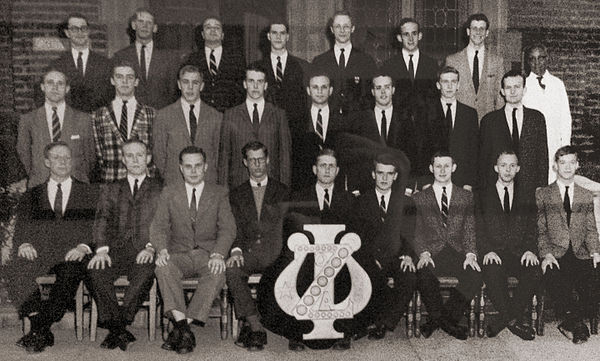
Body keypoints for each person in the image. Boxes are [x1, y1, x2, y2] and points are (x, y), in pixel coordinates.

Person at [258, 148, 358, 351]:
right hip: (307, 256)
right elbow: (291, 231)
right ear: (315, 169)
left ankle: (342, 331)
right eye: (323, 166)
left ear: (337, 171)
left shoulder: (348, 199)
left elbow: (353, 233)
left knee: (348, 273)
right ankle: (297, 331)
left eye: (331, 166)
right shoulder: (299, 197)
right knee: (290, 273)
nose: (327, 170)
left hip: (339, 258)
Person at [6, 142, 97, 353]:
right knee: (14, 267)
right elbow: (21, 228)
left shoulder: (87, 192)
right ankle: (40, 324)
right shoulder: (32, 195)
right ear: (47, 162)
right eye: (57, 158)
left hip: (71, 254)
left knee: (70, 273)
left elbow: (95, 229)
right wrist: (25, 243)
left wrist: (83, 247)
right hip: (40, 252)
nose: (63, 162)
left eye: (66, 158)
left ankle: (39, 328)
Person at [151, 146, 236, 354]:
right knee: (163, 268)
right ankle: (184, 329)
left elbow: (228, 228)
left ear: (205, 167)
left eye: (198, 165)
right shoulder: (169, 192)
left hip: (207, 254)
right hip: (178, 253)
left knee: (218, 272)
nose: (193, 170)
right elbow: (159, 226)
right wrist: (161, 250)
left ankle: (181, 327)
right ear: (181, 168)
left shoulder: (219, 192)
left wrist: (218, 254)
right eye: (188, 166)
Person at [87, 140, 160, 350]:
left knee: (145, 273)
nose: (135, 160)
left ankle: (118, 324)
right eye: (130, 156)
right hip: (115, 249)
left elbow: (165, 224)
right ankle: (119, 328)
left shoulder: (160, 188)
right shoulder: (111, 188)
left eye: (140, 155)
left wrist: (151, 247)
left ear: (148, 158)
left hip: (144, 250)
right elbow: (101, 219)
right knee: (95, 271)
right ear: (123, 160)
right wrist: (101, 250)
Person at [226, 141, 289, 351]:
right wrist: (235, 250)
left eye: (261, 159)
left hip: (276, 252)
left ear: (268, 160)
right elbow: (231, 227)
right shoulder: (236, 194)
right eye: (252, 160)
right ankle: (255, 326)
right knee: (233, 269)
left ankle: (287, 326)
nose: (257, 165)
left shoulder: (282, 191)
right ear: (245, 163)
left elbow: (289, 226)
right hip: (248, 251)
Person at [413, 151, 482, 340]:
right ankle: (448, 323)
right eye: (438, 166)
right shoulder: (420, 198)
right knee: (423, 275)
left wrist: (470, 255)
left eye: (446, 166)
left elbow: (469, 229)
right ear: (431, 168)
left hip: (456, 251)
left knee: (475, 275)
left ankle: (440, 320)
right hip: (433, 252)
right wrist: (424, 253)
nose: (442, 170)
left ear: (453, 168)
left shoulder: (465, 196)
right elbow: (418, 233)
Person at [537, 146, 600, 344]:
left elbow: (591, 229)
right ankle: (576, 324)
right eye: (562, 162)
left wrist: (595, 251)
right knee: (557, 279)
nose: (567, 167)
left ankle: (570, 321)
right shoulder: (544, 194)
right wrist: (546, 254)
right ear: (555, 166)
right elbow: (540, 230)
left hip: (580, 252)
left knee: (594, 282)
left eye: (572, 162)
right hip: (555, 253)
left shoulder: (585, 195)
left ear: (577, 165)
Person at [353, 153, 416, 340]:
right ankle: (363, 322)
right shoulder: (360, 202)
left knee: (409, 277)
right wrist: (370, 258)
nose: (384, 178)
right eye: (380, 173)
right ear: (373, 174)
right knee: (368, 275)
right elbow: (357, 237)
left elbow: (410, 234)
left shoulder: (406, 202)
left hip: (396, 256)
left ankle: (385, 323)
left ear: (395, 176)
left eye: (389, 174)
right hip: (370, 257)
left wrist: (408, 255)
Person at [477, 150, 538, 341]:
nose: (508, 170)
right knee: (492, 270)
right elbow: (477, 227)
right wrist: (487, 250)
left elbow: (532, 227)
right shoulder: (482, 195)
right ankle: (513, 321)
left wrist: (530, 250)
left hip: (519, 252)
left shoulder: (527, 195)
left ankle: (503, 321)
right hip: (493, 252)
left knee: (534, 270)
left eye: (512, 165)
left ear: (518, 169)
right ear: (496, 168)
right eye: (503, 165)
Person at [17, 69, 96, 189]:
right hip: (39, 185)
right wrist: (38, 174)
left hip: (76, 185)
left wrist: (77, 174)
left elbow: (90, 157)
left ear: (67, 88)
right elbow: (23, 153)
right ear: (42, 87)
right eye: (50, 83)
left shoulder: (84, 119)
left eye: (60, 83)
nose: (55, 87)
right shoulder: (28, 120)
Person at [479, 70, 548, 205]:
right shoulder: (489, 120)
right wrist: (485, 189)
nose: (513, 91)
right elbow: (484, 158)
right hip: (498, 186)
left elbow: (542, 155)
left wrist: (541, 186)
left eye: (517, 87)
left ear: (524, 89)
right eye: (508, 87)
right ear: (502, 91)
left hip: (529, 187)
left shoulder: (537, 118)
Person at [218, 64, 292, 189]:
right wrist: (223, 194)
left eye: (260, 81)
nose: (256, 86)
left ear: (266, 85)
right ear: (245, 84)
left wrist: (284, 192)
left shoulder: (279, 115)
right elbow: (224, 158)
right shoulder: (230, 115)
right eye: (251, 81)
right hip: (239, 186)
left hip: (271, 186)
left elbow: (285, 158)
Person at [154, 65, 222, 185]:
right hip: (175, 184)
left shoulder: (216, 117)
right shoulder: (163, 116)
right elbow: (159, 154)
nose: (190, 87)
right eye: (186, 82)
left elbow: (218, 155)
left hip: (207, 185)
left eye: (195, 83)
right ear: (179, 85)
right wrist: (170, 177)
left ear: (201, 86)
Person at [346, 73, 413, 194]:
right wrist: (355, 187)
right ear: (372, 91)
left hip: (399, 187)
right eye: (378, 88)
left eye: (386, 87)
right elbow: (355, 156)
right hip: (366, 188)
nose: (383, 92)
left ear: (393, 90)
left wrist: (408, 187)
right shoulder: (361, 119)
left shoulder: (405, 119)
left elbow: (411, 154)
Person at [92, 61, 155, 182]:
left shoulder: (150, 114)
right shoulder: (99, 115)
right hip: (111, 181)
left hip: (143, 182)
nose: (124, 81)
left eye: (129, 77)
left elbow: (154, 149)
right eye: (119, 77)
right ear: (112, 80)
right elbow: (99, 154)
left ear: (136, 82)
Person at [420, 66, 479, 190]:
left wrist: (469, 182)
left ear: (458, 85)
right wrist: (425, 182)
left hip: (461, 181)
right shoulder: (426, 112)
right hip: (433, 179)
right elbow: (421, 149)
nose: (449, 86)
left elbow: (473, 151)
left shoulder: (470, 113)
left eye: (453, 82)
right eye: (445, 82)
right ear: (438, 85)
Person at [522, 44, 572, 184]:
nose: (537, 63)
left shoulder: (558, 84)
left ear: (547, 59)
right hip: (533, 147)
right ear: (528, 62)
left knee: (555, 184)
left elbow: (565, 119)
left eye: (541, 58)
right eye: (532, 59)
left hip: (555, 144)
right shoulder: (523, 85)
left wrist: (565, 148)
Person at [312, 11, 377, 116]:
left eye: (346, 26)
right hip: (329, 124)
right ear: (332, 30)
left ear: (352, 29)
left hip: (358, 125)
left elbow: (372, 95)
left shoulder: (366, 61)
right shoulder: (319, 62)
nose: (342, 30)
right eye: (338, 26)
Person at [46, 13, 112, 113]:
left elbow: (110, 97)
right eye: (74, 29)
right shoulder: (57, 65)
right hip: (68, 122)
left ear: (88, 31)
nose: (79, 33)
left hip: (96, 121)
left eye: (83, 28)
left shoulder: (104, 63)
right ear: (67, 33)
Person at [112, 8, 177, 109]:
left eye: (149, 22)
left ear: (155, 28)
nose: (145, 26)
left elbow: (173, 92)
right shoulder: (121, 56)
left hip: (160, 115)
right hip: (130, 114)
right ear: (134, 25)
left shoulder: (169, 58)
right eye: (141, 21)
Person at [445, 13, 505, 121]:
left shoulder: (497, 61)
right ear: (468, 31)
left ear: (487, 33)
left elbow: (500, 97)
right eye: (474, 28)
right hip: (461, 122)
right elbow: (447, 95)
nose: (478, 32)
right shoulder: (452, 61)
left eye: (482, 29)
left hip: (488, 122)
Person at [257, 21, 307, 142]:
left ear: (288, 37)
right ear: (269, 36)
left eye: (282, 33)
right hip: (265, 131)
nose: (278, 37)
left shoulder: (302, 66)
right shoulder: (257, 67)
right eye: (274, 33)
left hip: (294, 133)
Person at [184, 17, 246, 112]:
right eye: (208, 27)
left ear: (222, 35)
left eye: (217, 28)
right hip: (201, 115)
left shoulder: (236, 59)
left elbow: (242, 90)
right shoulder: (193, 59)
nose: (213, 30)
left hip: (230, 115)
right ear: (202, 34)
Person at [294, 71, 344, 190]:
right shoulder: (297, 121)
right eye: (315, 87)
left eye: (324, 87)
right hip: (306, 187)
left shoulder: (342, 121)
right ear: (308, 90)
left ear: (330, 90)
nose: (320, 91)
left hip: (336, 187)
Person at [381, 18, 439, 120]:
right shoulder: (388, 66)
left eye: (414, 33)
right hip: (398, 125)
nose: (411, 39)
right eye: (406, 34)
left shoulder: (432, 64)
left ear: (420, 36)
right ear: (399, 38)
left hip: (425, 126)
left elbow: (435, 99)